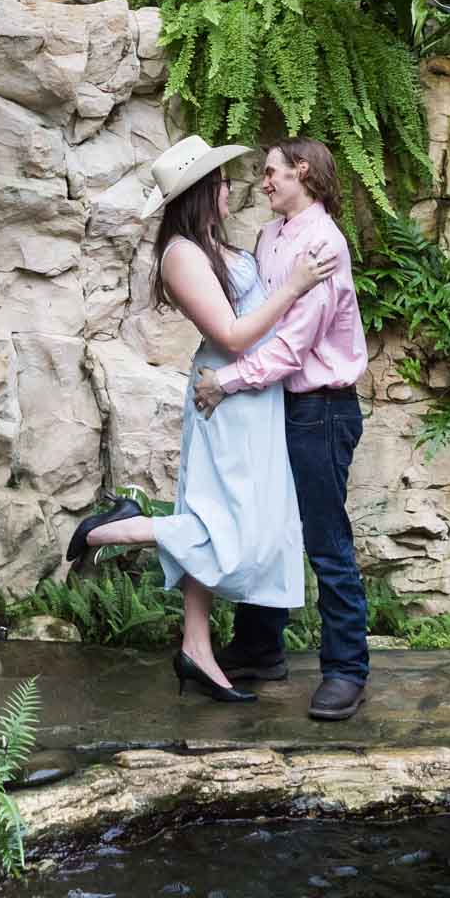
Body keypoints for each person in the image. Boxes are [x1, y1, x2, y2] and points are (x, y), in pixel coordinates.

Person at [65, 134, 336, 704]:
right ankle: (109, 530)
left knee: (242, 522)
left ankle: (196, 648)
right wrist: (294, 286)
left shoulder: (220, 245)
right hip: (226, 396)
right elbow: (232, 335)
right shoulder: (181, 255)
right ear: (199, 192)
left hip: (254, 397)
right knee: (224, 531)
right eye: (219, 181)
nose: (231, 186)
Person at [193, 137, 371, 722]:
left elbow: (294, 345)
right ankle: (260, 647)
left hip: (320, 408)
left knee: (325, 539)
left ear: (302, 172)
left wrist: (227, 381)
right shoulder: (271, 236)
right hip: (278, 404)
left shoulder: (323, 244)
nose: (263, 181)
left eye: (270, 172)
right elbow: (256, 320)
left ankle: (347, 670)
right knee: (266, 523)